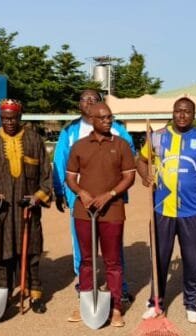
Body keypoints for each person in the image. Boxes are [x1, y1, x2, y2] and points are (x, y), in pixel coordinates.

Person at [136, 97, 196, 324]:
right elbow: (141, 161)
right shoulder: (158, 136)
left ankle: (191, 302)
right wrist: (145, 176)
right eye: (178, 111)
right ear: (173, 112)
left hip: (191, 211)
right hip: (162, 209)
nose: (182, 115)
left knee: (192, 259)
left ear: (194, 115)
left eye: (187, 112)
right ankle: (156, 301)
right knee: (160, 258)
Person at [52, 89, 135, 305]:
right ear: (79, 104)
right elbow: (60, 161)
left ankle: (119, 289)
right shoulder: (70, 131)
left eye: (94, 99)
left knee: (113, 249)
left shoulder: (117, 130)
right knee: (83, 248)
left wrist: (116, 193)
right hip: (80, 200)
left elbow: (128, 159)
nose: (88, 102)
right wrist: (60, 190)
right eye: (84, 99)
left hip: (111, 201)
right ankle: (85, 288)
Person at [0, 99, 53, 313]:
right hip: (1, 209)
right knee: (3, 249)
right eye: (5, 119)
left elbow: (46, 174)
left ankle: (35, 293)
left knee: (31, 250)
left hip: (28, 207)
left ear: (20, 117)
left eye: (13, 118)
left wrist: (38, 196)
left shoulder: (34, 140)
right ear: (0, 118)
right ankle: (3, 291)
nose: (9, 122)